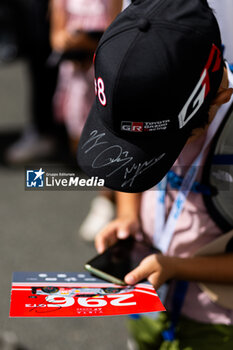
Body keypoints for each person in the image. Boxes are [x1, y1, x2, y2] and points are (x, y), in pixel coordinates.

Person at [77, 0, 233, 349]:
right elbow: (128, 165)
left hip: (218, 325)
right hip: (150, 304)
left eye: (158, 149)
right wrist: (129, 215)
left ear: (221, 97)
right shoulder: (142, 39)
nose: (139, 157)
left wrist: (180, 267)